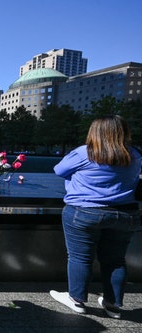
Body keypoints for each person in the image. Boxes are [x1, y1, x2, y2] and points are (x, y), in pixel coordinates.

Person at [50, 115, 142, 319]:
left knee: (80, 257)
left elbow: (59, 170)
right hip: (125, 214)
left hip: (84, 213)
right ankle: (113, 305)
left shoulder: (85, 153)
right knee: (116, 260)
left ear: (94, 132)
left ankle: (77, 300)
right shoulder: (135, 155)